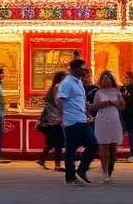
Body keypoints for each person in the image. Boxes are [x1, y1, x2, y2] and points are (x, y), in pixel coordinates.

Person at [58, 58, 99, 186]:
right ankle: (70, 177)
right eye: (83, 68)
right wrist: (62, 118)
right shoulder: (67, 83)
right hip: (71, 121)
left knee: (93, 144)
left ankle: (81, 170)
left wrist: (87, 113)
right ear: (75, 69)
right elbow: (60, 100)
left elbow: (79, 102)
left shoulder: (79, 82)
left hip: (81, 119)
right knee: (71, 149)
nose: (85, 70)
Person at [91, 70, 125, 181]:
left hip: (114, 119)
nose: (104, 80)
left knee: (113, 147)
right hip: (101, 119)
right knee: (103, 145)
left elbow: (122, 107)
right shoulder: (99, 92)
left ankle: (110, 170)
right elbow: (93, 107)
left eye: (107, 78)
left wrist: (119, 102)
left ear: (112, 80)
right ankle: (105, 171)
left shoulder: (117, 92)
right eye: (103, 79)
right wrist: (106, 103)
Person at [36, 71, 67, 171]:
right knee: (59, 140)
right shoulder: (58, 87)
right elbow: (57, 102)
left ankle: (42, 159)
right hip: (56, 117)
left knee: (54, 140)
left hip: (51, 117)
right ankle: (57, 164)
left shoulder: (54, 87)